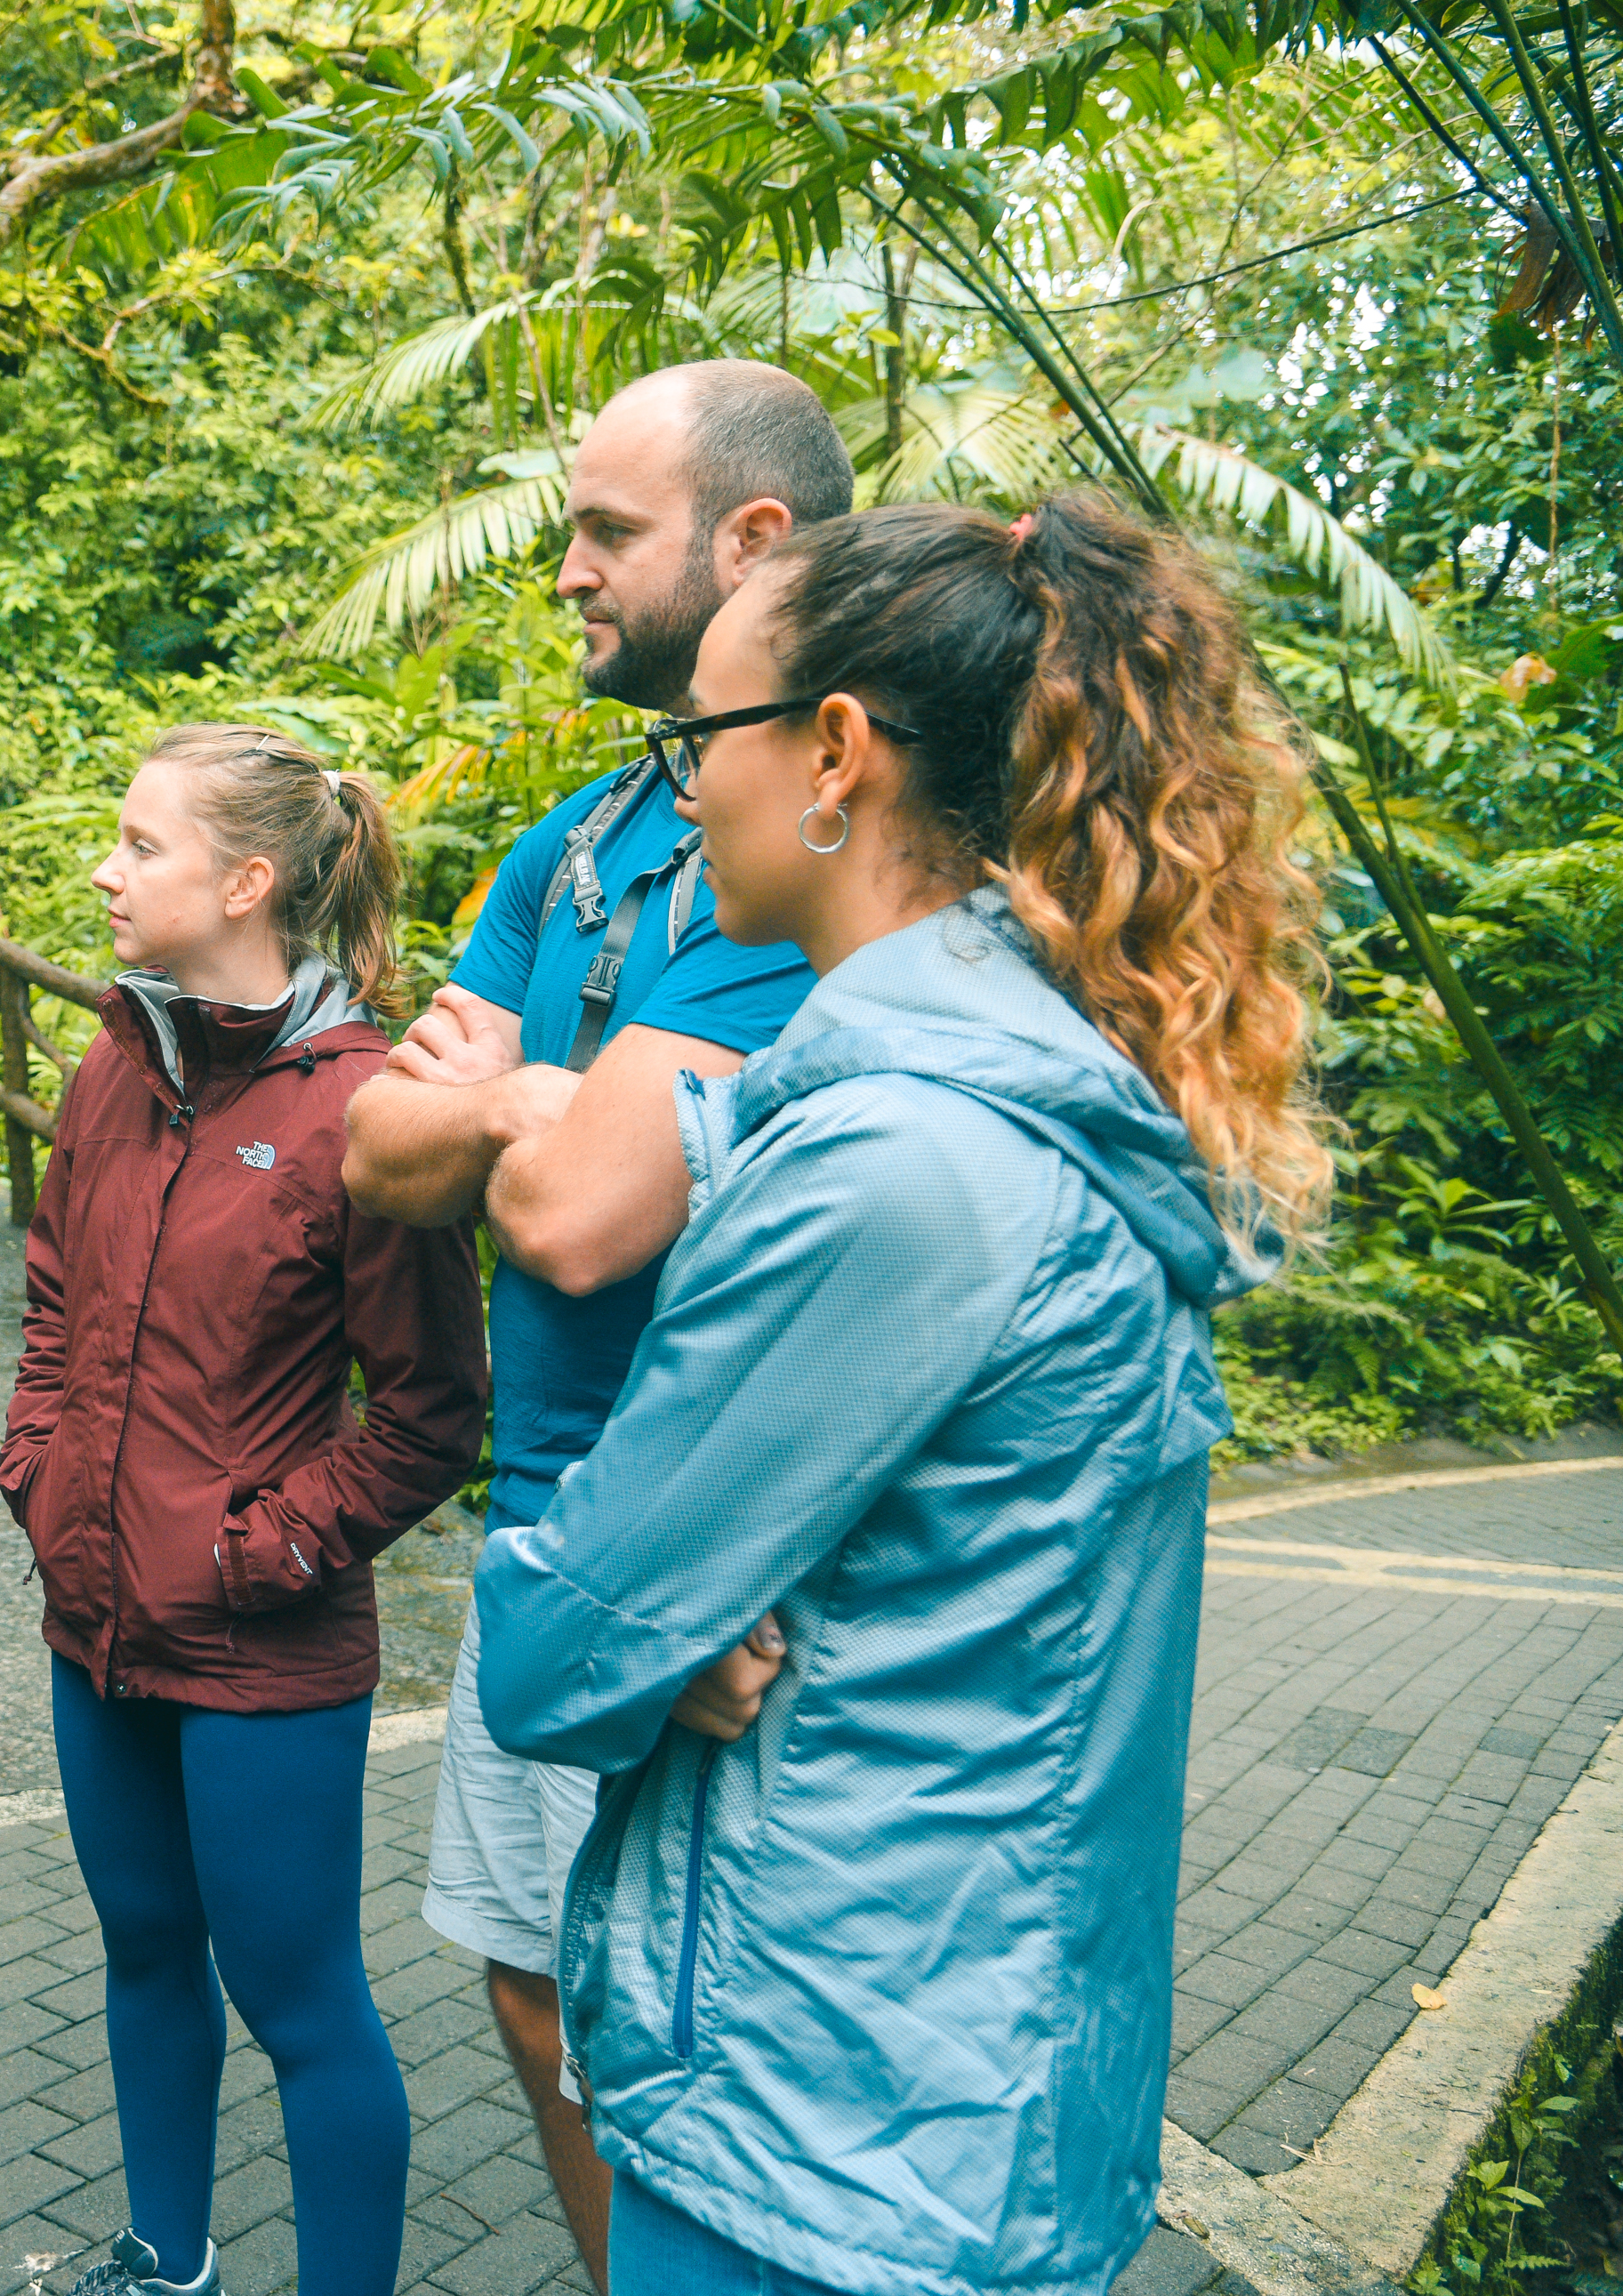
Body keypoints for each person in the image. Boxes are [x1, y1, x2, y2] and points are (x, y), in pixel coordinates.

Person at [477, 492, 1326, 2295]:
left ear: (834, 756)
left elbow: (549, 1660)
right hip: (956, 2102)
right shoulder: (1026, 1093)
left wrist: (635, 1622)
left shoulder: (894, 1164)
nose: (679, 784)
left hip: (828, 2146)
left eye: (702, 735)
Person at [337, 358, 849, 2292]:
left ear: (752, 544)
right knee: (536, 1994)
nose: (560, 570)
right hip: (540, 1520)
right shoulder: (577, 839)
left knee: (698, 2044)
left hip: (709, 1556)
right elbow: (376, 1153)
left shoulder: (792, 832)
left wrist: (504, 1105)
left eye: (600, 532)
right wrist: (510, 1100)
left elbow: (568, 1220)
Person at [4, 725, 491, 2296]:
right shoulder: (115, 1059)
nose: (107, 868)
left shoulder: (367, 1106)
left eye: (141, 843)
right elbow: (54, 1297)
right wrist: (36, 1467)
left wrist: (264, 1544)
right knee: (145, 1947)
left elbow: (431, 1415)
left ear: (249, 879)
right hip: (93, 1617)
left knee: (298, 2000)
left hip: (262, 1653)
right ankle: (170, 2259)